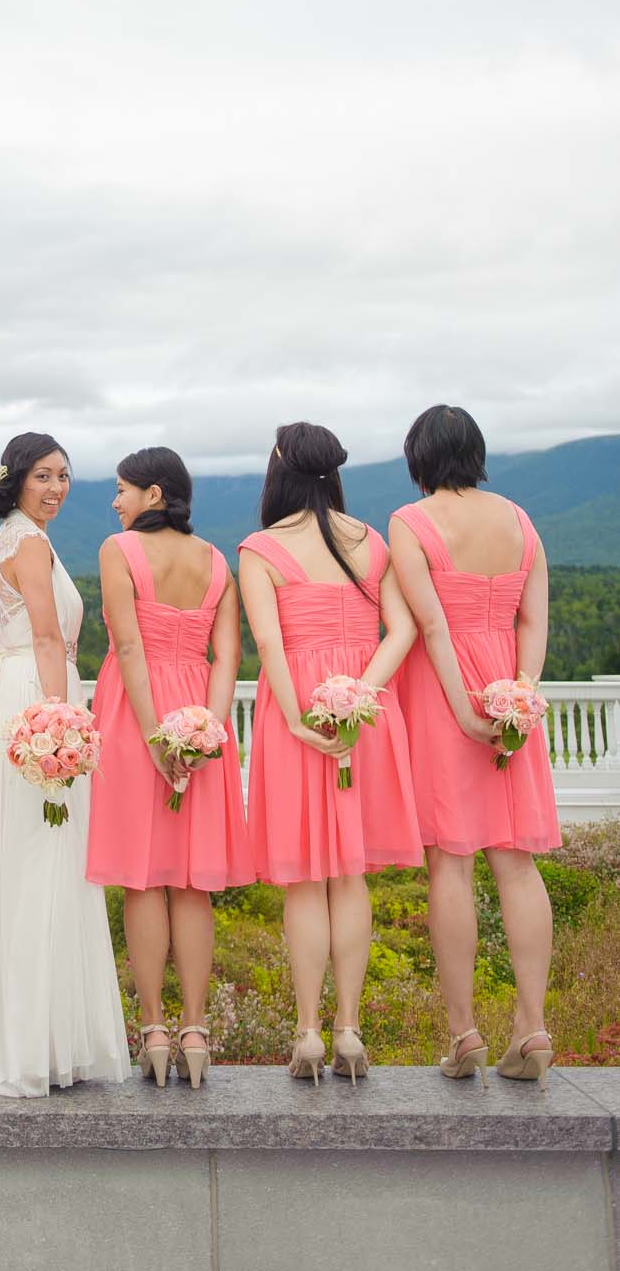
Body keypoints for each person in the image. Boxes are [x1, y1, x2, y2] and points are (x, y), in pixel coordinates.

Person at [0, 432, 129, 1097]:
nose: (55, 488)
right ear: (16, 479)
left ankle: (44, 1037)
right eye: (42, 476)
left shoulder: (14, 536)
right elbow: (48, 636)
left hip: (22, 691)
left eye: (63, 476)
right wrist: (62, 721)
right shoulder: (26, 541)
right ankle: (35, 1043)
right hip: (36, 697)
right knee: (41, 860)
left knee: (32, 861)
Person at [239, 422, 420, 1085]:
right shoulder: (369, 540)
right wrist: (357, 700)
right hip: (365, 717)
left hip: (296, 716)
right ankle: (348, 1028)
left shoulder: (259, 548)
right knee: (350, 877)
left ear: (278, 470)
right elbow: (401, 629)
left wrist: (298, 718)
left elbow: (270, 645)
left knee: (305, 880)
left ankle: (308, 1032)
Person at [389, 404, 558, 1090]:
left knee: (449, 864)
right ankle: (532, 1024)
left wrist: (463, 710)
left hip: (443, 697)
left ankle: (462, 1031)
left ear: (419, 456)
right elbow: (534, 618)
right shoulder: (519, 520)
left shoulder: (410, 522)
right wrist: (517, 697)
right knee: (516, 864)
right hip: (508, 693)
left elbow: (430, 627)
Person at [86, 446, 253, 1088]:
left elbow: (128, 643)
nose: (115, 501)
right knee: (191, 882)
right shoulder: (216, 560)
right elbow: (228, 653)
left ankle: (153, 1028)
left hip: (137, 711)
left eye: (124, 489)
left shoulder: (118, 549)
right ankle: (195, 1028)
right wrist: (203, 731)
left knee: (143, 877)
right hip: (197, 710)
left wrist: (157, 736)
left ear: (154, 494)